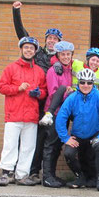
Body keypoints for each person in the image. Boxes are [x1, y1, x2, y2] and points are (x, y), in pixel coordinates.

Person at [12, 1, 62, 183]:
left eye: (55, 39)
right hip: (34, 102)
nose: (51, 41)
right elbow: (22, 34)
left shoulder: (61, 59)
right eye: (49, 38)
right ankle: (32, 171)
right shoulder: (37, 53)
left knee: (51, 141)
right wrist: (16, 11)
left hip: (52, 105)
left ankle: (48, 174)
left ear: (59, 43)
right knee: (34, 139)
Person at [0, 36, 48, 186]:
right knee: (10, 145)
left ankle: (21, 175)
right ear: (21, 49)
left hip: (31, 115)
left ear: (35, 51)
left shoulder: (39, 71)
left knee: (28, 147)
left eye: (32, 48)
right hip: (14, 114)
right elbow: (1, 87)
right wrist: (18, 88)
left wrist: (39, 94)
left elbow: (44, 91)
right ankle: (6, 173)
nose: (29, 50)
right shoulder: (11, 68)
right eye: (26, 47)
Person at [55, 68, 99, 192]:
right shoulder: (72, 98)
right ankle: (80, 177)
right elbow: (61, 117)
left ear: (93, 84)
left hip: (95, 133)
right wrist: (65, 138)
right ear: (78, 83)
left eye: (89, 83)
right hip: (78, 134)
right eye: (82, 82)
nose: (86, 85)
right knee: (68, 154)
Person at [40, 40, 75, 188]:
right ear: (58, 55)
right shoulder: (53, 70)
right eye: (63, 54)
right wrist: (69, 94)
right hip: (54, 111)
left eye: (68, 54)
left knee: (58, 144)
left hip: (64, 113)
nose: (66, 57)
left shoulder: (69, 69)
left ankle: (52, 175)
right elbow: (54, 92)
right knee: (51, 144)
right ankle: (47, 177)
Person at [41, 47, 99, 126]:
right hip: (72, 96)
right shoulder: (77, 64)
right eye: (93, 60)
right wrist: (56, 62)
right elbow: (65, 59)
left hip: (85, 102)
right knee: (63, 88)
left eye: (97, 61)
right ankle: (49, 114)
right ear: (87, 59)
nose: (95, 63)